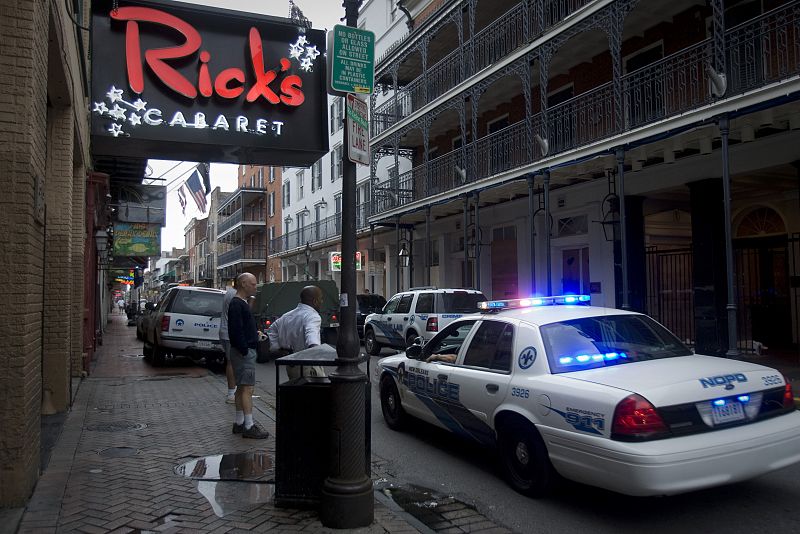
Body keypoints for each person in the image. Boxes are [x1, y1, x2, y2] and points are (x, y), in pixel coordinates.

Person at [227, 273, 269, 439]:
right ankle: (249, 425)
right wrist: (245, 349)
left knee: (241, 388)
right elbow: (236, 331)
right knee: (247, 388)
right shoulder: (238, 304)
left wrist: (254, 334)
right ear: (243, 284)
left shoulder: (240, 303)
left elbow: (241, 328)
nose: (255, 287)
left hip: (241, 350)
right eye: (252, 284)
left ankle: (239, 423)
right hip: (244, 352)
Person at [267, 285, 325, 380]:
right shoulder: (313, 316)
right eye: (321, 299)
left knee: (297, 392)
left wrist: (277, 348)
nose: (322, 302)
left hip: (292, 365)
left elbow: (272, 330)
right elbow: (312, 334)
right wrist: (315, 347)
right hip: (308, 366)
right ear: (315, 301)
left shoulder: (286, 316)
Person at [219, 281, 238, 404]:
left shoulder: (229, 292)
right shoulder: (235, 296)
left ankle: (233, 391)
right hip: (230, 333)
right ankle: (232, 393)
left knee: (231, 362)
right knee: (232, 362)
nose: (254, 286)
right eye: (251, 284)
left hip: (226, 332)